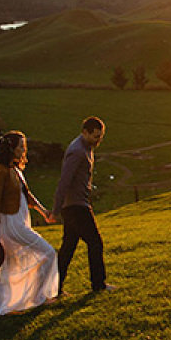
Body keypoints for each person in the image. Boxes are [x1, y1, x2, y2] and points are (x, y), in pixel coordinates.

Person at [0, 130, 59, 318]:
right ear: (11, 149)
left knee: (9, 265)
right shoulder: (0, 170)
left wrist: (43, 211)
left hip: (19, 220)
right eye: (21, 147)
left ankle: (20, 301)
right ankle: (36, 297)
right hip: (11, 224)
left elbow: (27, 195)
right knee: (47, 253)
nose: (24, 150)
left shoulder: (15, 169)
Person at [53, 116, 111, 294]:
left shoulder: (85, 147)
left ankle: (54, 287)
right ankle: (98, 285)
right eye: (95, 136)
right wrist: (56, 209)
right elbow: (64, 180)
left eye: (100, 137)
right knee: (95, 242)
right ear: (84, 132)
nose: (98, 140)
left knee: (68, 248)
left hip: (75, 204)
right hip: (76, 206)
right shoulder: (77, 151)